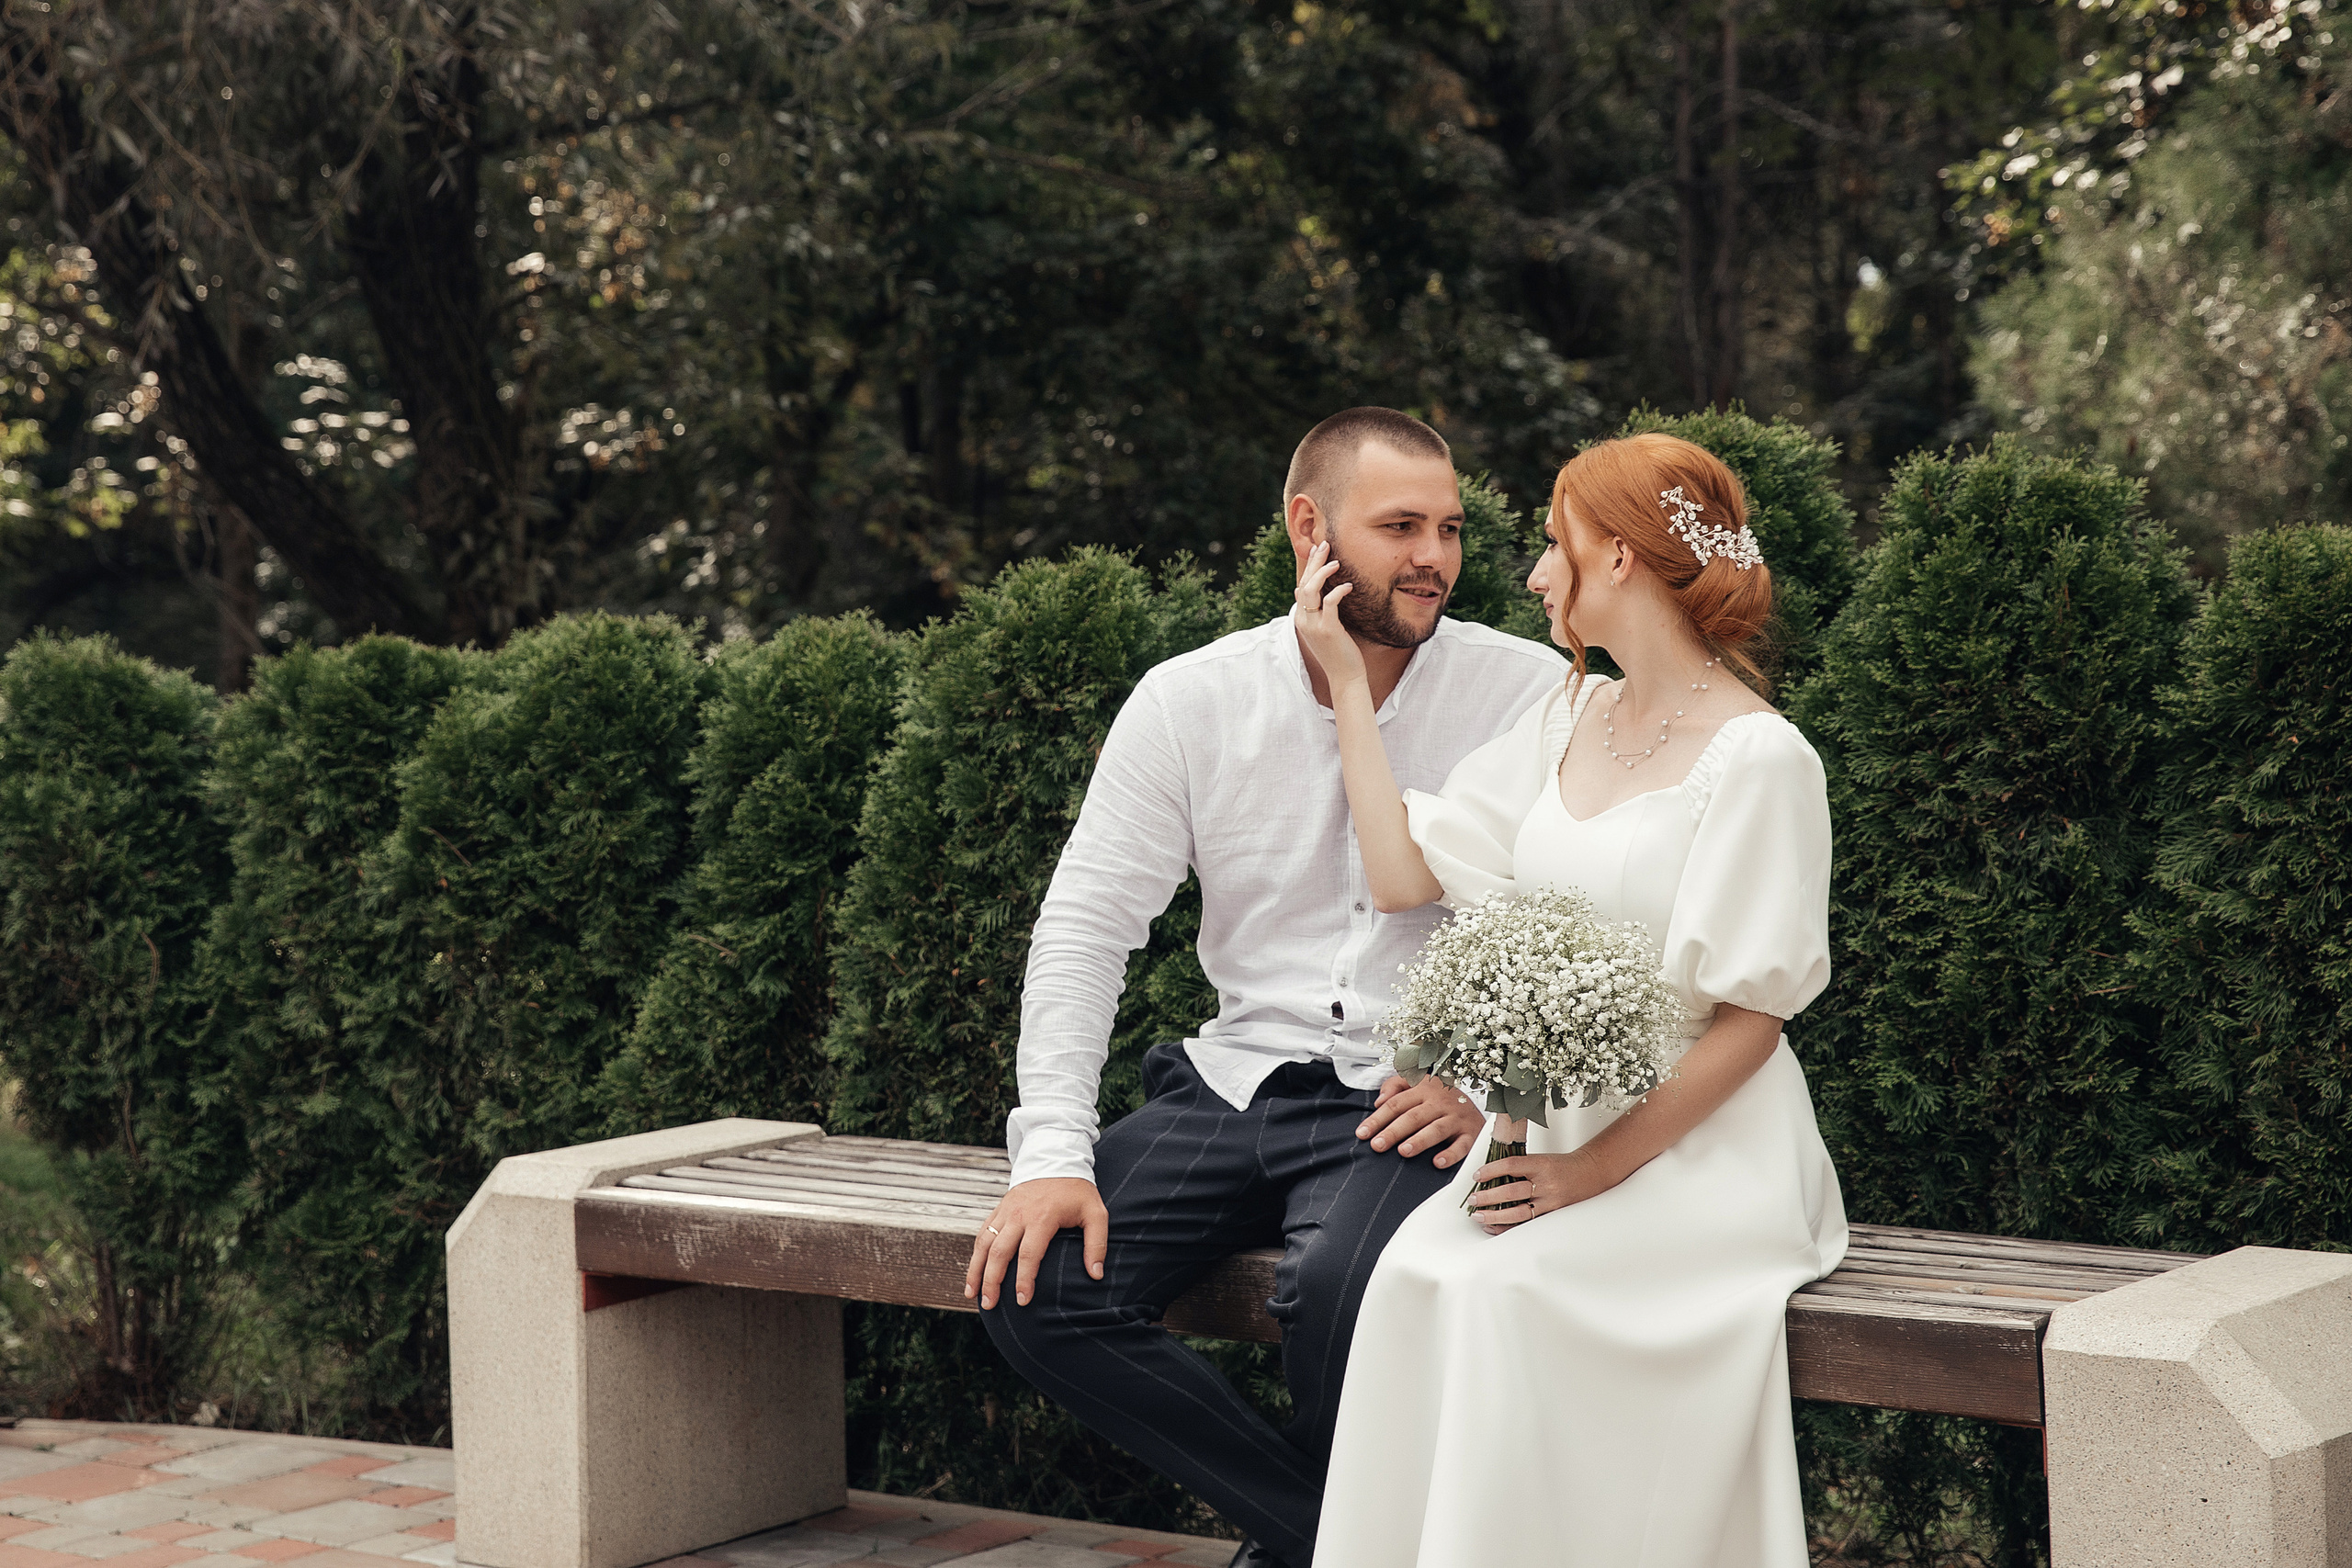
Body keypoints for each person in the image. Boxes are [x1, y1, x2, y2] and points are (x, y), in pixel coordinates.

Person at [967, 407, 1568, 1568]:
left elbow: (1572, 917)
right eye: (1398, 526)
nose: (1433, 556)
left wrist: (1496, 1092)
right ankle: (1327, 1544)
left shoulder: (1521, 690)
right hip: (1231, 1084)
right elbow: (1085, 929)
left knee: (1346, 1286)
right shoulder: (1190, 701)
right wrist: (1049, 1154)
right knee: (1032, 1285)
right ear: (1311, 529)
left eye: (1446, 527)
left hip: (1407, 1097)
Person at [1297, 432, 1847, 1567]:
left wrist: (1586, 1174)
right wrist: (1348, 686)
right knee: (1413, 1275)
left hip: (1708, 1151)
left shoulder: (1761, 759)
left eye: (1556, 546)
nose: (1538, 575)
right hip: (1554, 1127)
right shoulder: (1567, 714)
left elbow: (1753, 1021)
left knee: (1512, 1300)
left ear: (1622, 561)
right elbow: (1406, 874)